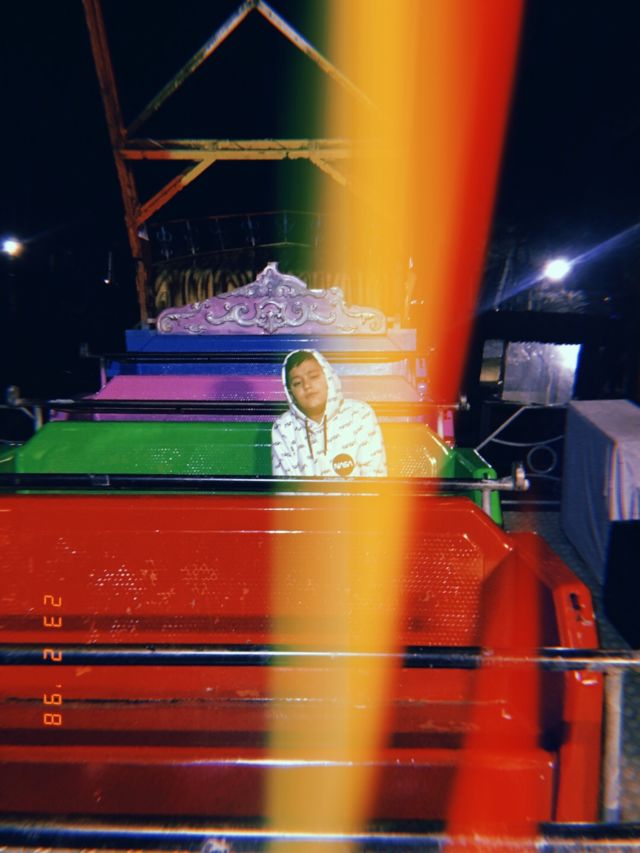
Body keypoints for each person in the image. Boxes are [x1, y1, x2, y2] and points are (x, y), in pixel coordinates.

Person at [271, 349, 387, 477]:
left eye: (313, 377)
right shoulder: (284, 426)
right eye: (297, 383)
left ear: (329, 378)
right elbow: (286, 485)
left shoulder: (360, 414)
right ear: (291, 393)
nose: (307, 386)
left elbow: (374, 479)